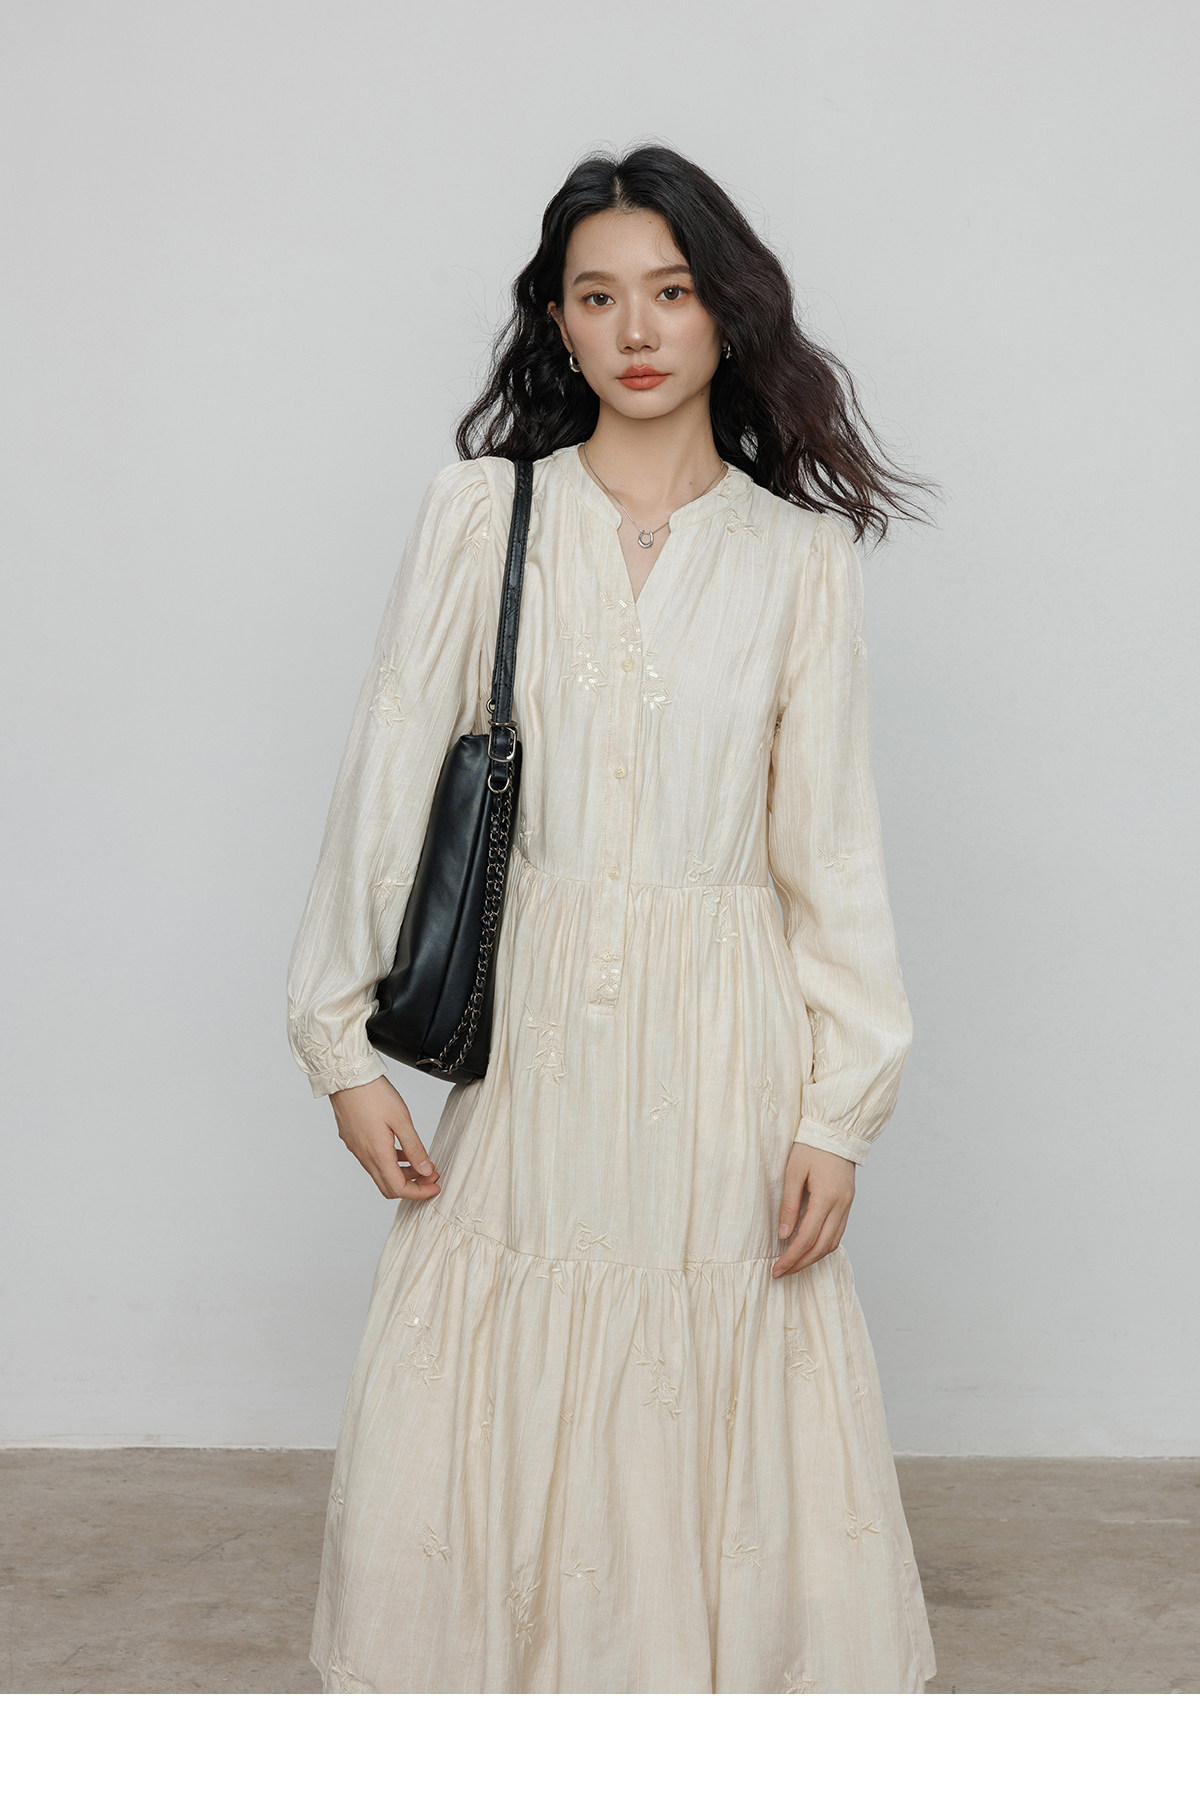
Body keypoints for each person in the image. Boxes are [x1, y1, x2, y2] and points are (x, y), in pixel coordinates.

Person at [285, 142, 938, 1693]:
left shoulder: (798, 559)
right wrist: (339, 1045)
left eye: (671, 291)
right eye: (598, 296)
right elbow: (388, 774)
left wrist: (840, 1107)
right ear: (559, 323)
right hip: (539, 1032)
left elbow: (830, 854)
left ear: (726, 313)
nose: (637, 329)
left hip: (726, 1047)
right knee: (505, 1336)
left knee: (713, 1362)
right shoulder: (483, 514)